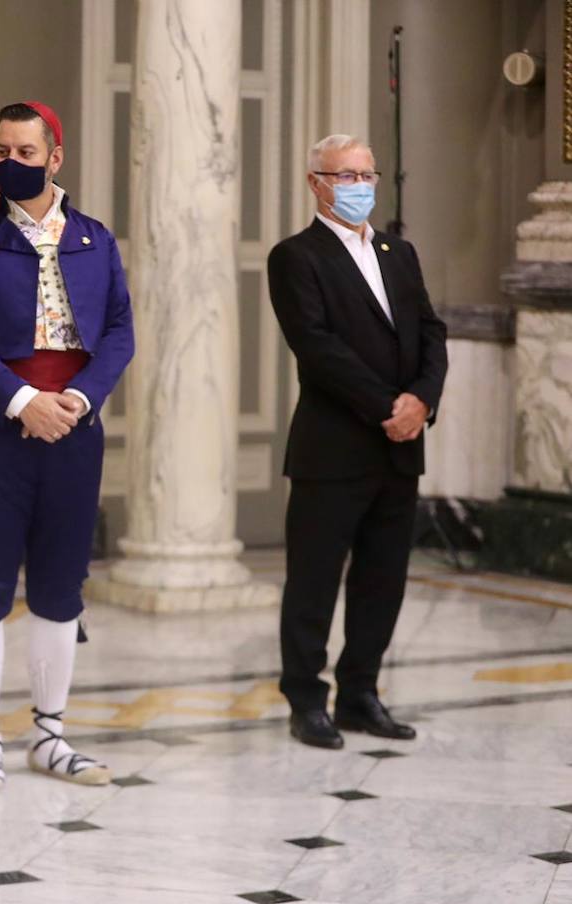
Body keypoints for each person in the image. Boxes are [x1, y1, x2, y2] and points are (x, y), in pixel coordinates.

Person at [0, 101, 135, 794]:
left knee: (60, 588)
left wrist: (77, 401)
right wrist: (21, 401)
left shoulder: (95, 239)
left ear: (55, 157)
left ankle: (50, 735)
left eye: (24, 152)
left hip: (75, 429)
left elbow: (118, 332)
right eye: (1, 150)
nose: (9, 163)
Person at [267, 134, 448, 750]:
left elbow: (431, 329)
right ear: (317, 182)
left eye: (367, 174)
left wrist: (422, 400)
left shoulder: (400, 252)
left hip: (400, 449)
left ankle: (361, 693)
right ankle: (305, 700)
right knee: (314, 581)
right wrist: (386, 408)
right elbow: (317, 348)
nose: (360, 186)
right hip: (333, 448)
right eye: (347, 176)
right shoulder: (296, 257)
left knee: (382, 580)